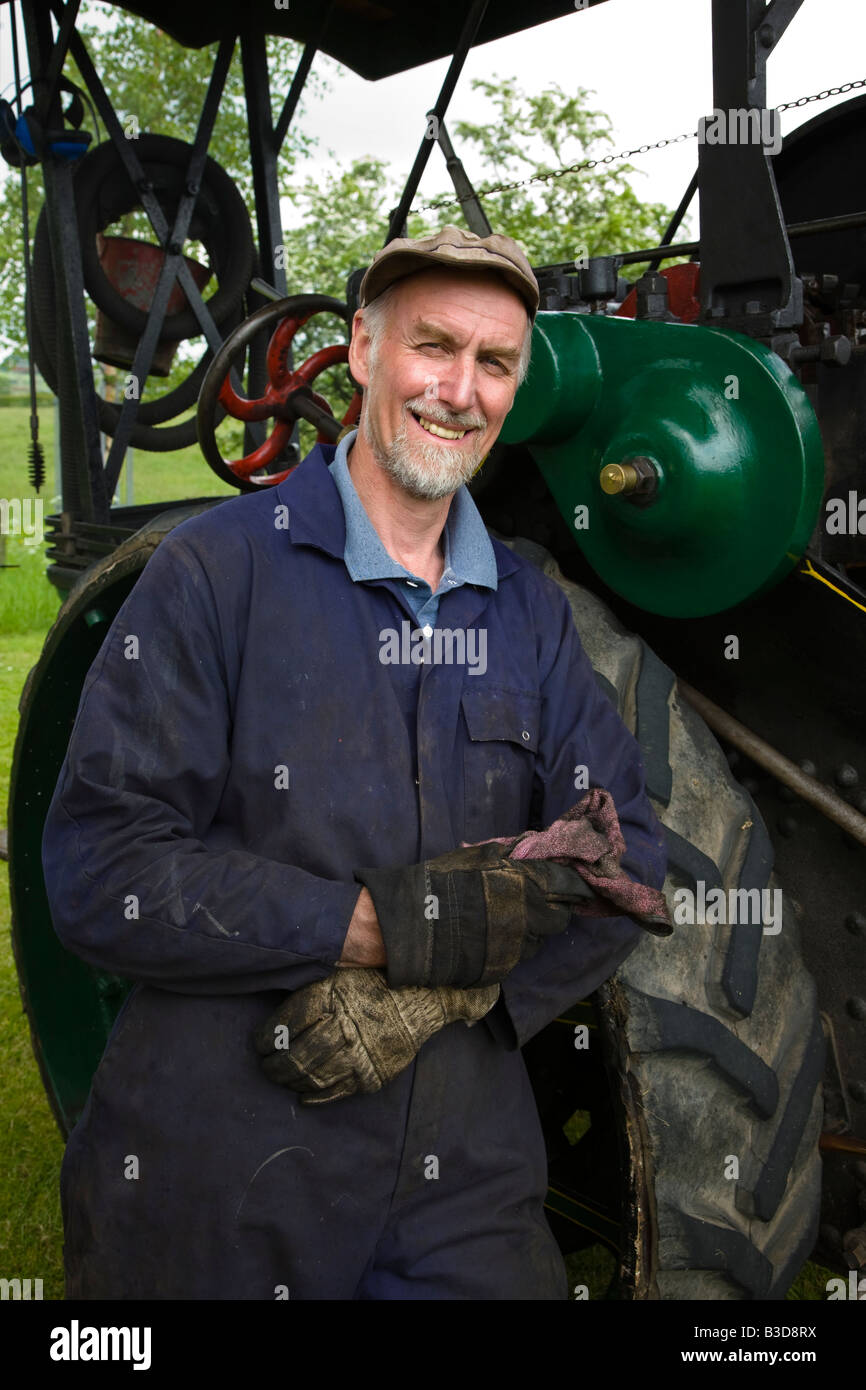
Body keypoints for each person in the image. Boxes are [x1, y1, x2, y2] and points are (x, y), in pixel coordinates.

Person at [42, 224, 667, 1301]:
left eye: (494, 364)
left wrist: (436, 997)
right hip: (222, 1160)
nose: (458, 390)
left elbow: (628, 862)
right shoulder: (214, 573)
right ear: (363, 352)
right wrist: (382, 927)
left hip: (464, 1182)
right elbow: (103, 872)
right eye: (433, 346)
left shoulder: (530, 614)